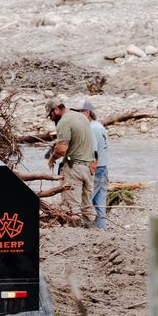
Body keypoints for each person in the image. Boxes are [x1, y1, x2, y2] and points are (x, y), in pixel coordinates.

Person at [46, 98, 96, 227]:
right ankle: (94, 234)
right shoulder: (82, 117)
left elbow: (62, 149)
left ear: (56, 109)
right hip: (89, 167)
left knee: (72, 207)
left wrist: (52, 158)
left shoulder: (64, 121)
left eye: (50, 115)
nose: (51, 119)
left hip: (74, 168)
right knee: (87, 205)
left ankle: (76, 237)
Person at [81, 99, 109, 229]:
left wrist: (90, 170)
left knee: (86, 201)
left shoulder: (91, 128)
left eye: (79, 112)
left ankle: (87, 229)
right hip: (104, 167)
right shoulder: (100, 126)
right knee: (100, 202)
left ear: (87, 112)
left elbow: (93, 151)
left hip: (96, 168)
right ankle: (101, 228)